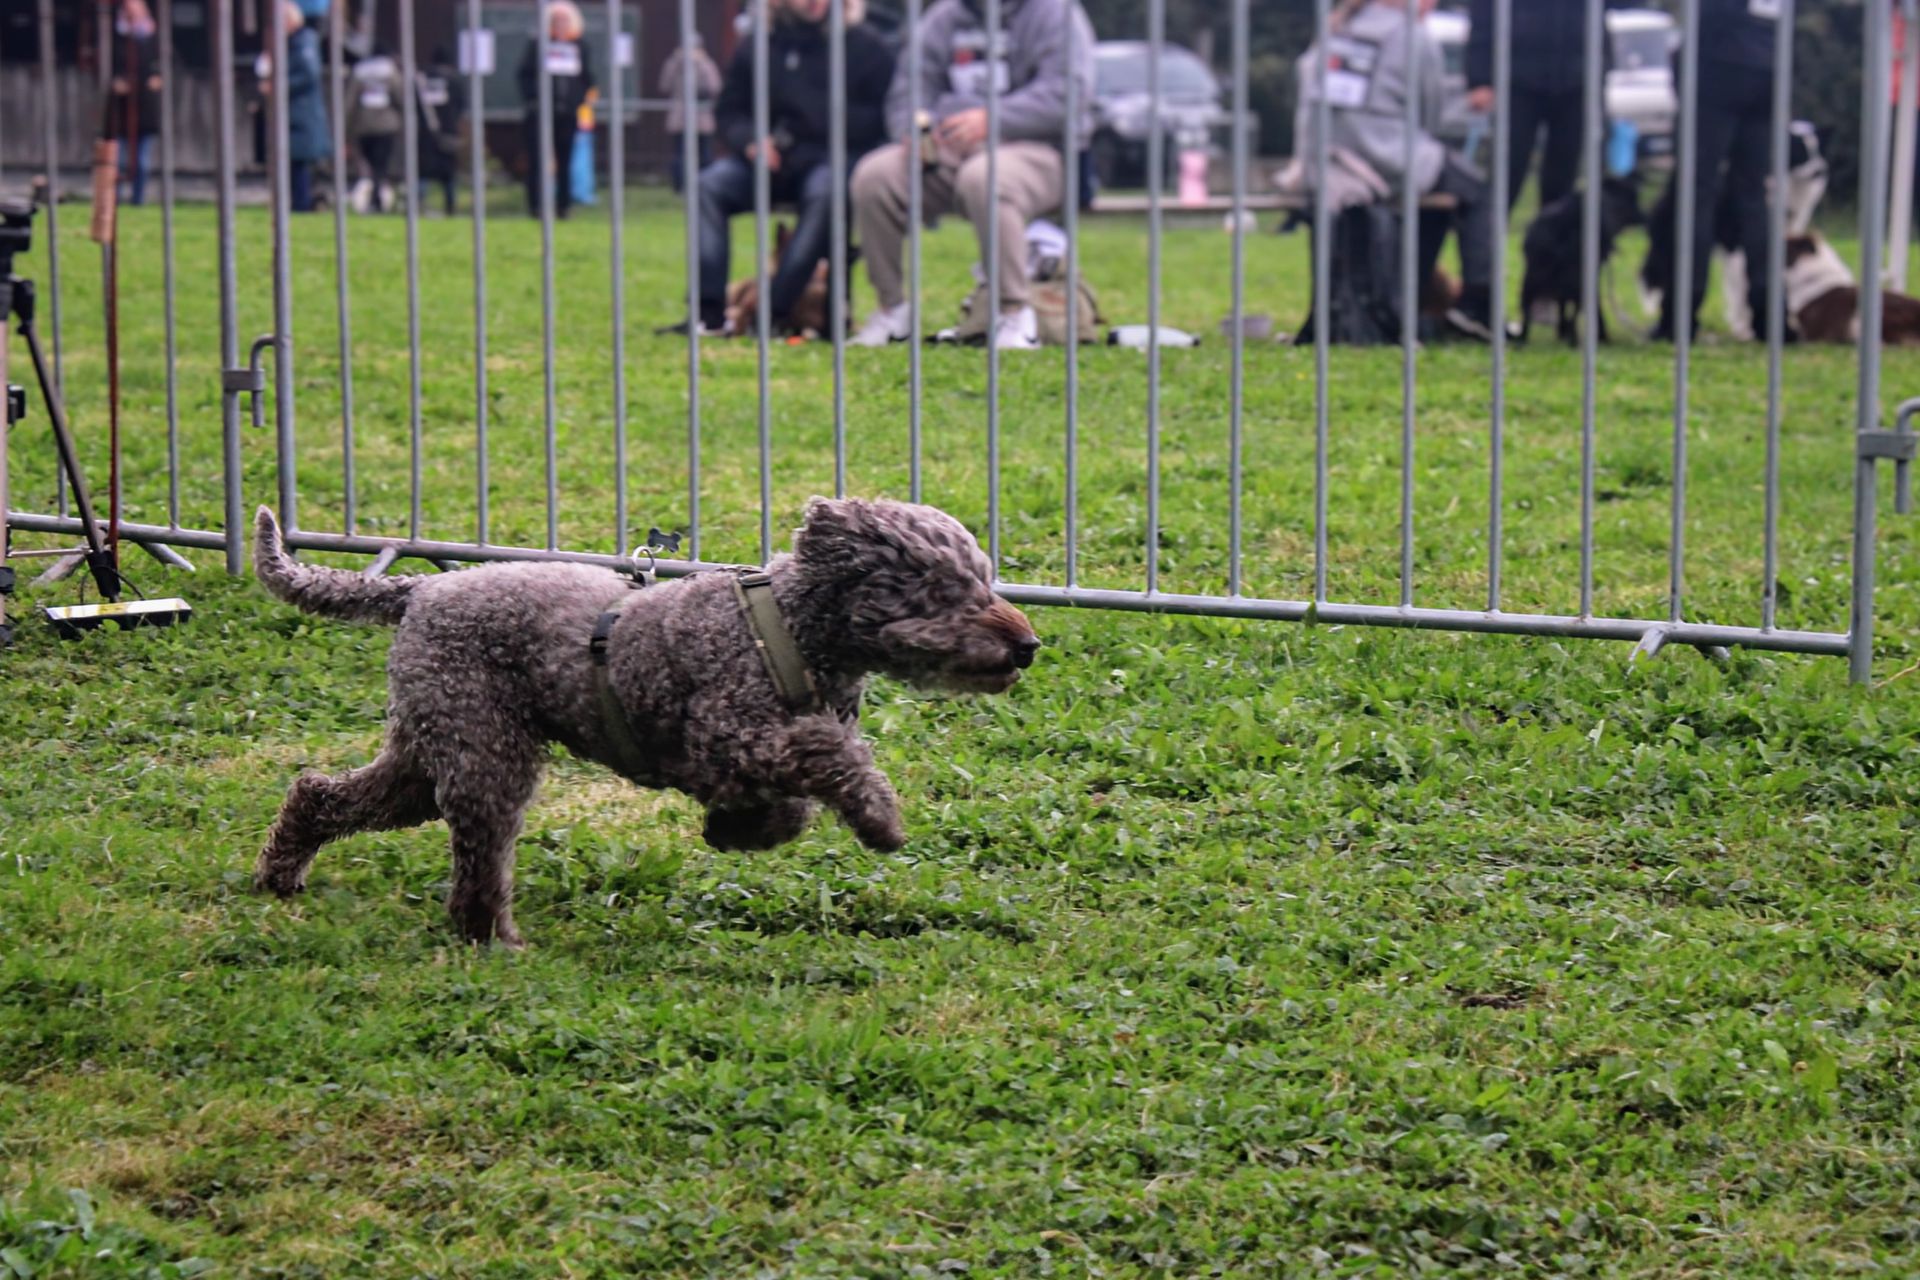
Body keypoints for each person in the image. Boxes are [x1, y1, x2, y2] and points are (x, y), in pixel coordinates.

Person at [849, 0, 1096, 351]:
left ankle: (1014, 313)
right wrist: (914, 130)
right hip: (950, 149)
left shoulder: (1055, 13)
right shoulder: (943, 17)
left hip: (1040, 149)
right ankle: (892, 311)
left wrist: (993, 119)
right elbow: (909, 90)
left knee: (985, 177)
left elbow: (1067, 94)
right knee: (875, 176)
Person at [683, 0, 895, 336]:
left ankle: (774, 312)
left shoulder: (867, 46)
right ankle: (708, 315)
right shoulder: (759, 44)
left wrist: (823, 128)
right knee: (708, 186)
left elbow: (884, 116)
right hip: (770, 159)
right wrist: (750, 140)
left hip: (833, 158)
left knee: (826, 193)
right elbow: (730, 110)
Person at [1297, 0, 1495, 340]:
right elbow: (1432, 116)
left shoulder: (1336, 28)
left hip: (1325, 158)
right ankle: (1475, 304)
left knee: (1436, 193)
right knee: (1476, 191)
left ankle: (1416, 297)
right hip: (1386, 156)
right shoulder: (1413, 35)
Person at [1651, 0, 1777, 340]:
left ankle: (1680, 315)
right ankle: (1769, 315)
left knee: (1695, 194)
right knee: (1754, 197)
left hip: (1716, 62)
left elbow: (1711, 14)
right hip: (1768, 62)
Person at [1466, 0, 1611, 213]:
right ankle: (1486, 232)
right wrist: (1480, 79)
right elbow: (1483, 15)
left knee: (1563, 173)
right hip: (1517, 79)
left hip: (1578, 78)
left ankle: (1552, 233)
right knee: (1507, 169)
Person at [516, 0, 594, 219]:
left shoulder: (579, 46)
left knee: (565, 159)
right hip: (539, 112)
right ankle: (536, 206)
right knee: (537, 159)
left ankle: (563, 206)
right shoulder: (538, 45)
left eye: (564, 20)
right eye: (556, 20)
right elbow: (524, 75)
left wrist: (577, 101)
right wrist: (534, 98)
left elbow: (586, 78)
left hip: (567, 113)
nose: (560, 24)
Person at [104, 0, 163, 207]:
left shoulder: (152, 39)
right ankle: (114, 199)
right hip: (121, 109)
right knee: (118, 160)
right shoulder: (115, 38)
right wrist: (116, 81)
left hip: (145, 107)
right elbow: (105, 65)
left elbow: (166, 65)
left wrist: (157, 77)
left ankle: (138, 199)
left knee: (141, 161)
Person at [659, 34, 722, 194]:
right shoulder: (674, 64)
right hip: (681, 118)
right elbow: (664, 85)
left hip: (702, 119)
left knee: (705, 155)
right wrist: (676, 61)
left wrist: (701, 62)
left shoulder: (706, 64)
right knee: (680, 155)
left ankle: (706, 186)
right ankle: (680, 187)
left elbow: (715, 86)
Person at [281, 1, 329, 212]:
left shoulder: (303, 42)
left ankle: (302, 203)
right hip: (297, 111)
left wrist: (280, 85)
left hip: (302, 112)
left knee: (299, 161)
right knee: (295, 161)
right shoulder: (295, 42)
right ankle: (300, 201)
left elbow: (309, 73)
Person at [347, 48, 403, 212]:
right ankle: (377, 198)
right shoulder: (391, 73)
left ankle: (375, 197)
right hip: (386, 126)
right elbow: (400, 97)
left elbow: (349, 102)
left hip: (363, 126)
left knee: (371, 164)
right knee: (381, 164)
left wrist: (347, 129)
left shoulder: (359, 73)